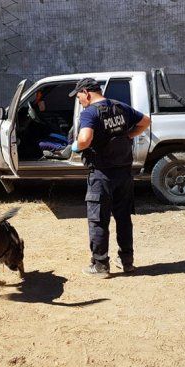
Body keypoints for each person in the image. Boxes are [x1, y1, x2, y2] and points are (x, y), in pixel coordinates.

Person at [69, 78, 151, 278]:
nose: (79, 101)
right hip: (124, 174)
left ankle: (100, 265)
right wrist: (129, 135)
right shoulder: (120, 107)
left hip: (101, 175)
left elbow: (85, 139)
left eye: (79, 97)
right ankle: (127, 262)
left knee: (98, 220)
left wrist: (76, 146)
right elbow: (146, 121)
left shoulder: (90, 113)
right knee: (123, 218)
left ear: (87, 93)